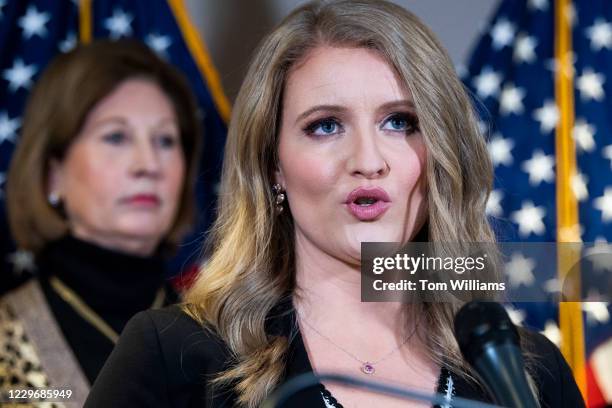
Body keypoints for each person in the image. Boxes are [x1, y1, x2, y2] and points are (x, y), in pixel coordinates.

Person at [86, 1, 584, 407]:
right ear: (272, 166)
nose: (368, 160)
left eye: (401, 122)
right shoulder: (174, 354)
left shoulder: (528, 372)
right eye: (325, 126)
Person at [1, 39, 201, 405]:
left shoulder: (228, 330)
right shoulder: (5, 333)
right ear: (52, 175)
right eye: (116, 136)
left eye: (166, 141)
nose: (148, 164)